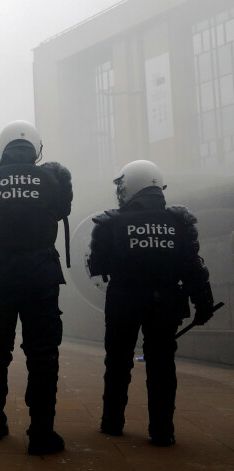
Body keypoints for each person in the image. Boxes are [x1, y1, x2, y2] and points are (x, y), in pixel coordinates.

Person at [0, 120, 72, 455]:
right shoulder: (52, 177)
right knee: (43, 355)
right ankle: (41, 432)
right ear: (35, 149)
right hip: (42, 275)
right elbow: (62, 209)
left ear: (0, 149)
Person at [88, 160, 214, 446]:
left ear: (131, 185)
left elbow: (97, 265)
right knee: (162, 367)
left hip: (123, 300)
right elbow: (193, 267)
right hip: (166, 302)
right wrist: (203, 303)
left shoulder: (112, 222)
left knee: (118, 363)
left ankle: (112, 422)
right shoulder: (179, 221)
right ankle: (162, 430)